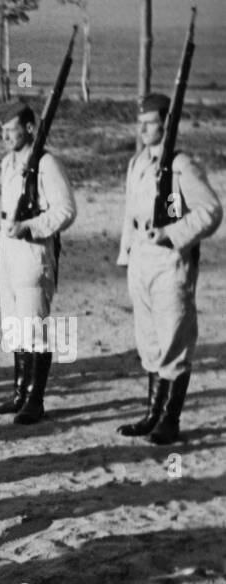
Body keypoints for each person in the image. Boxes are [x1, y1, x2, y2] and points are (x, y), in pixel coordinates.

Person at [115, 92, 222, 445]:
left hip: (170, 261)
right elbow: (133, 215)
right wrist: (128, 255)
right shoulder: (138, 163)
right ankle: (151, 414)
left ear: (166, 124)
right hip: (142, 260)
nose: (143, 129)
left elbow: (209, 211)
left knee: (173, 337)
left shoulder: (181, 165)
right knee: (149, 339)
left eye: (150, 123)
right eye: (140, 122)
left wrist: (172, 233)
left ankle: (169, 419)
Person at [0, 98, 76, 425]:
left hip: (33, 251)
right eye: (3, 132)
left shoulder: (47, 163)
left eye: (12, 130)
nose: (6, 137)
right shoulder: (8, 163)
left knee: (33, 325)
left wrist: (32, 227)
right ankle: (19, 394)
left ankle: (35, 401)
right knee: (15, 324)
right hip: (9, 251)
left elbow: (66, 210)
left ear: (29, 128)